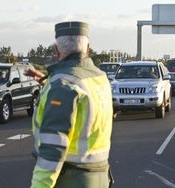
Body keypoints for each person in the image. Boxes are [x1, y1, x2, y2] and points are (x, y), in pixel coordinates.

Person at [28, 21, 114, 188]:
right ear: (88, 48)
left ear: (56, 50)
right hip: (100, 177)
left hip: (71, 180)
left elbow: (53, 147)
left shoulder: (63, 84)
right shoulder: (100, 78)